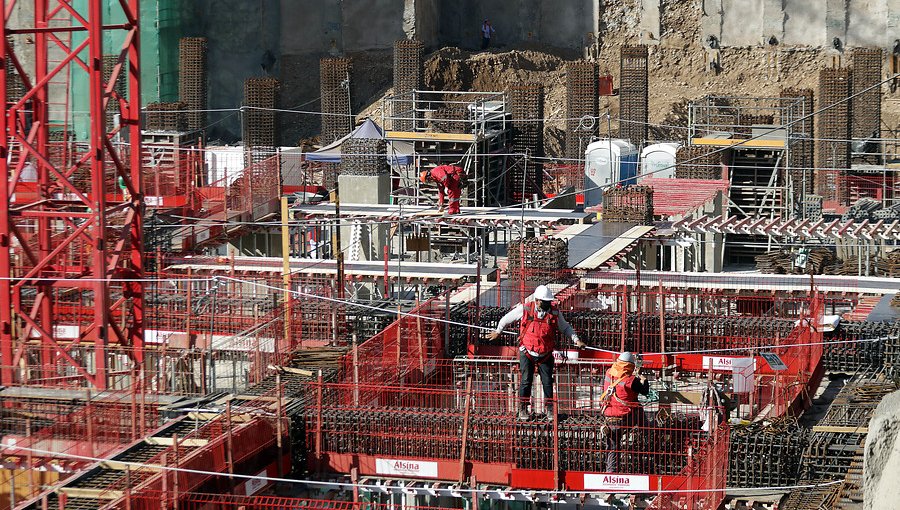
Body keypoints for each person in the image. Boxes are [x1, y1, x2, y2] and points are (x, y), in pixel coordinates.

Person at [488, 285, 585, 420]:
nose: (548, 304)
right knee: (526, 381)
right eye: (545, 302)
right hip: (527, 351)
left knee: (547, 382)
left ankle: (550, 410)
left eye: (548, 302)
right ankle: (522, 409)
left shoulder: (555, 313)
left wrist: (576, 340)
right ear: (538, 300)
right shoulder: (526, 309)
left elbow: (565, 327)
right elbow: (506, 319)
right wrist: (498, 331)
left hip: (545, 353)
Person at [601, 351, 650, 472]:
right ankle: (647, 433)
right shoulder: (631, 380)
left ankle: (610, 473)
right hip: (624, 417)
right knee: (638, 407)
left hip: (608, 416)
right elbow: (645, 390)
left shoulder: (609, 372)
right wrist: (643, 378)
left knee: (613, 447)